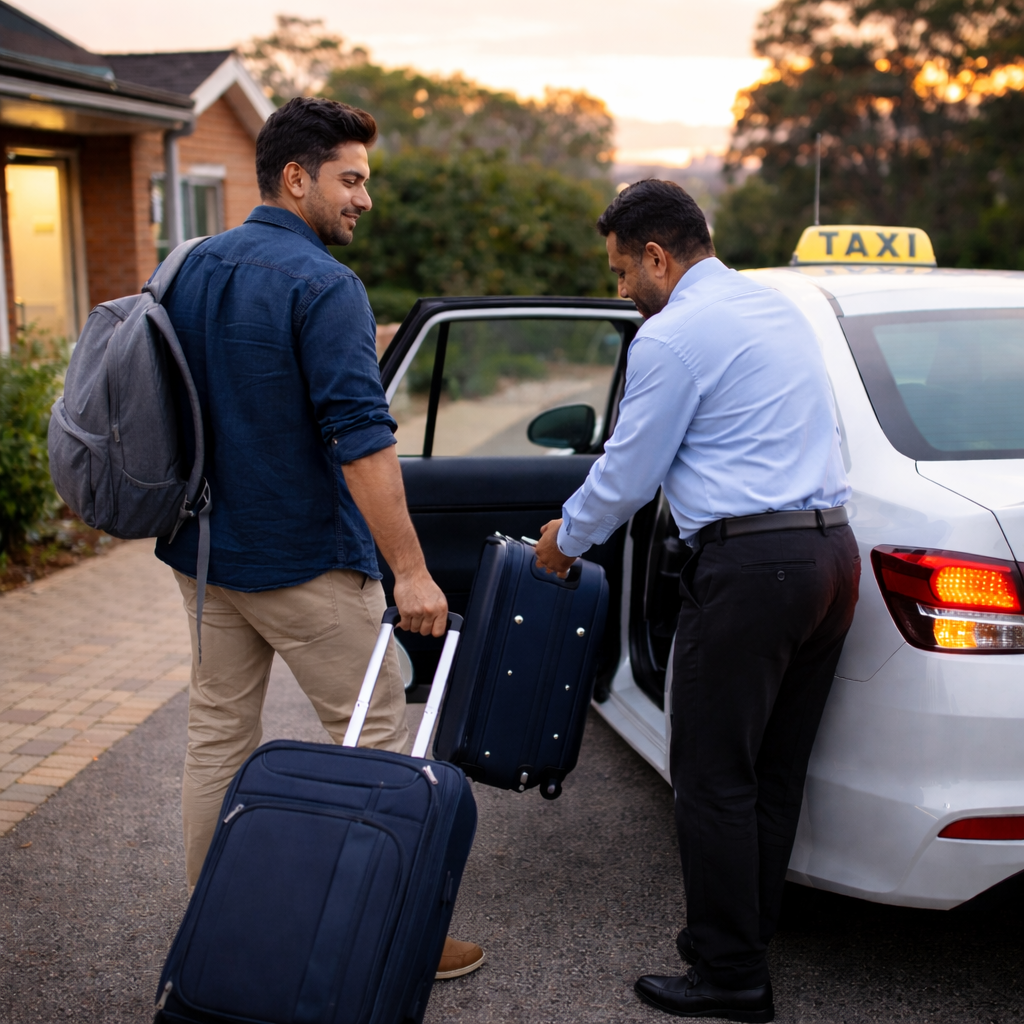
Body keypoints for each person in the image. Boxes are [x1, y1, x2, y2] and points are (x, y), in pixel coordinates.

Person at [156, 96, 483, 980]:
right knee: (371, 731)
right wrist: (411, 571)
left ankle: (216, 929)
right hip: (305, 562)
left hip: (205, 553)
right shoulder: (326, 285)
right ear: (297, 178)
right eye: (351, 179)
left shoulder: (187, 267)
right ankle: (387, 935)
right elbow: (361, 438)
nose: (364, 199)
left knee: (218, 735)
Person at [533, 180, 858, 1021]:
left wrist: (565, 540)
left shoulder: (671, 336)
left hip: (751, 571)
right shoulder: (778, 310)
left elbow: (629, 473)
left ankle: (729, 976)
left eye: (621, 272)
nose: (621, 289)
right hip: (831, 554)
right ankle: (750, 934)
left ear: (657, 256)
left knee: (711, 777)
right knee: (773, 771)